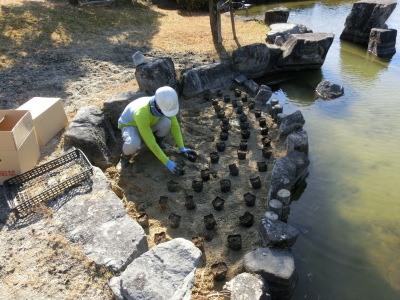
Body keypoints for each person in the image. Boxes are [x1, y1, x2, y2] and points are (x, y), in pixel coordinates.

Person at [117, 86, 197, 174]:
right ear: (158, 105)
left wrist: (182, 148)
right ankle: (124, 157)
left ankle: (159, 143)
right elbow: (150, 141)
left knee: (167, 123)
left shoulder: (166, 104)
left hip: (148, 122)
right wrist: (167, 162)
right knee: (133, 143)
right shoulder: (141, 113)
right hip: (131, 125)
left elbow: (175, 126)